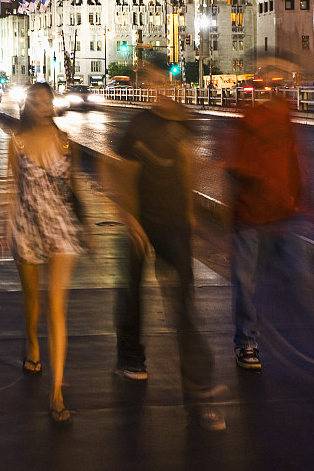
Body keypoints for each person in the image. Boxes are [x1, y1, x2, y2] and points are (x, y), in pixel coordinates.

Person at [106, 96, 226, 431]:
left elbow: (189, 166)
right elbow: (124, 171)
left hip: (173, 224)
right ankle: (131, 358)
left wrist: (189, 212)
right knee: (130, 293)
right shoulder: (138, 124)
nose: (158, 88)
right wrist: (129, 218)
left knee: (184, 305)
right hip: (141, 222)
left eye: (162, 80)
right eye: (152, 81)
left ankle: (199, 391)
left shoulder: (185, 121)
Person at [0, 82, 89, 424]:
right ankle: (32, 344)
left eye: (46, 101)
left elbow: (75, 186)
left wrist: (88, 226)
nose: (42, 107)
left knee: (56, 307)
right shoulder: (16, 141)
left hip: (61, 228)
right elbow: (11, 188)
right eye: (35, 102)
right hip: (27, 225)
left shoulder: (67, 142)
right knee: (32, 299)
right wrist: (2, 224)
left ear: (52, 105)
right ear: (28, 108)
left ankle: (56, 393)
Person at [226, 93, 314, 375]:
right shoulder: (249, 118)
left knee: (298, 280)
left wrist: (303, 200)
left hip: (284, 213)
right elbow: (235, 167)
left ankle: (309, 347)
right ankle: (246, 342)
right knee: (248, 285)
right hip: (251, 215)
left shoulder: (286, 118)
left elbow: (296, 161)